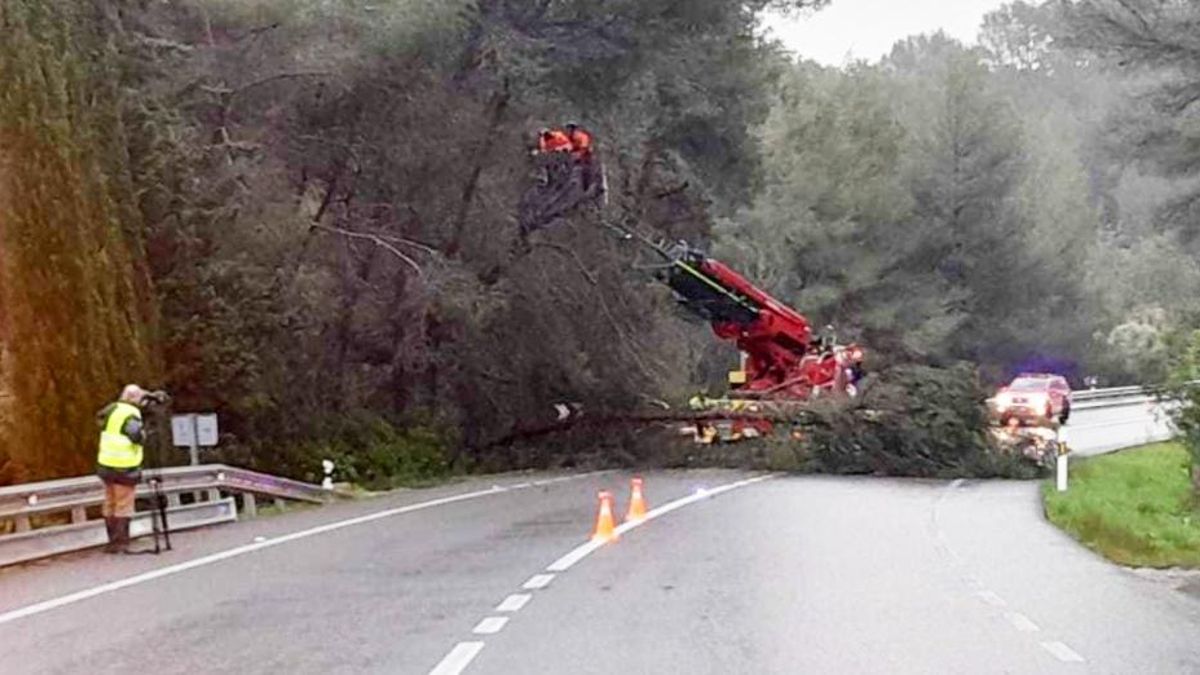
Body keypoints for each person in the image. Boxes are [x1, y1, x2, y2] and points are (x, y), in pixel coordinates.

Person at [96, 384, 148, 553]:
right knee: (123, 504)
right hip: (124, 466)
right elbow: (135, 435)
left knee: (110, 502)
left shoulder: (111, 410)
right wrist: (144, 435)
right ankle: (121, 541)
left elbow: (100, 422)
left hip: (106, 464)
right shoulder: (131, 414)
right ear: (133, 398)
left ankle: (111, 541)